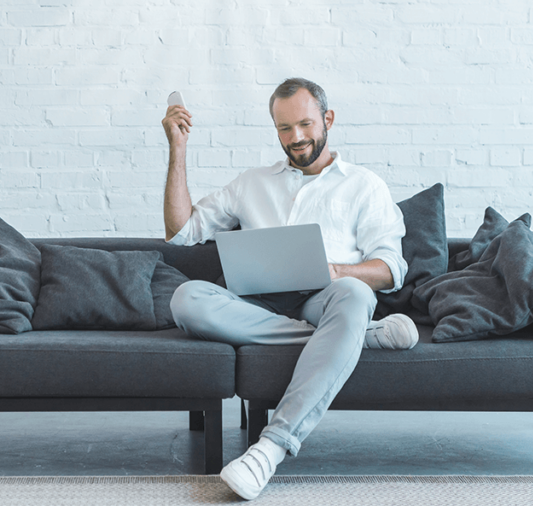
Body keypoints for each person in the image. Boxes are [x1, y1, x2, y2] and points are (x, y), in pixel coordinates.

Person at [161, 77, 418, 500]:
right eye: (284, 128)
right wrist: (178, 148)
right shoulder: (252, 182)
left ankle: (270, 448)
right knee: (186, 298)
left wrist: (336, 270)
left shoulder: (364, 185)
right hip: (258, 302)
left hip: (328, 297)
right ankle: (353, 338)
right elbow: (180, 230)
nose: (295, 138)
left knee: (355, 295)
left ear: (327, 119)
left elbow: (391, 269)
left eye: (305, 124)